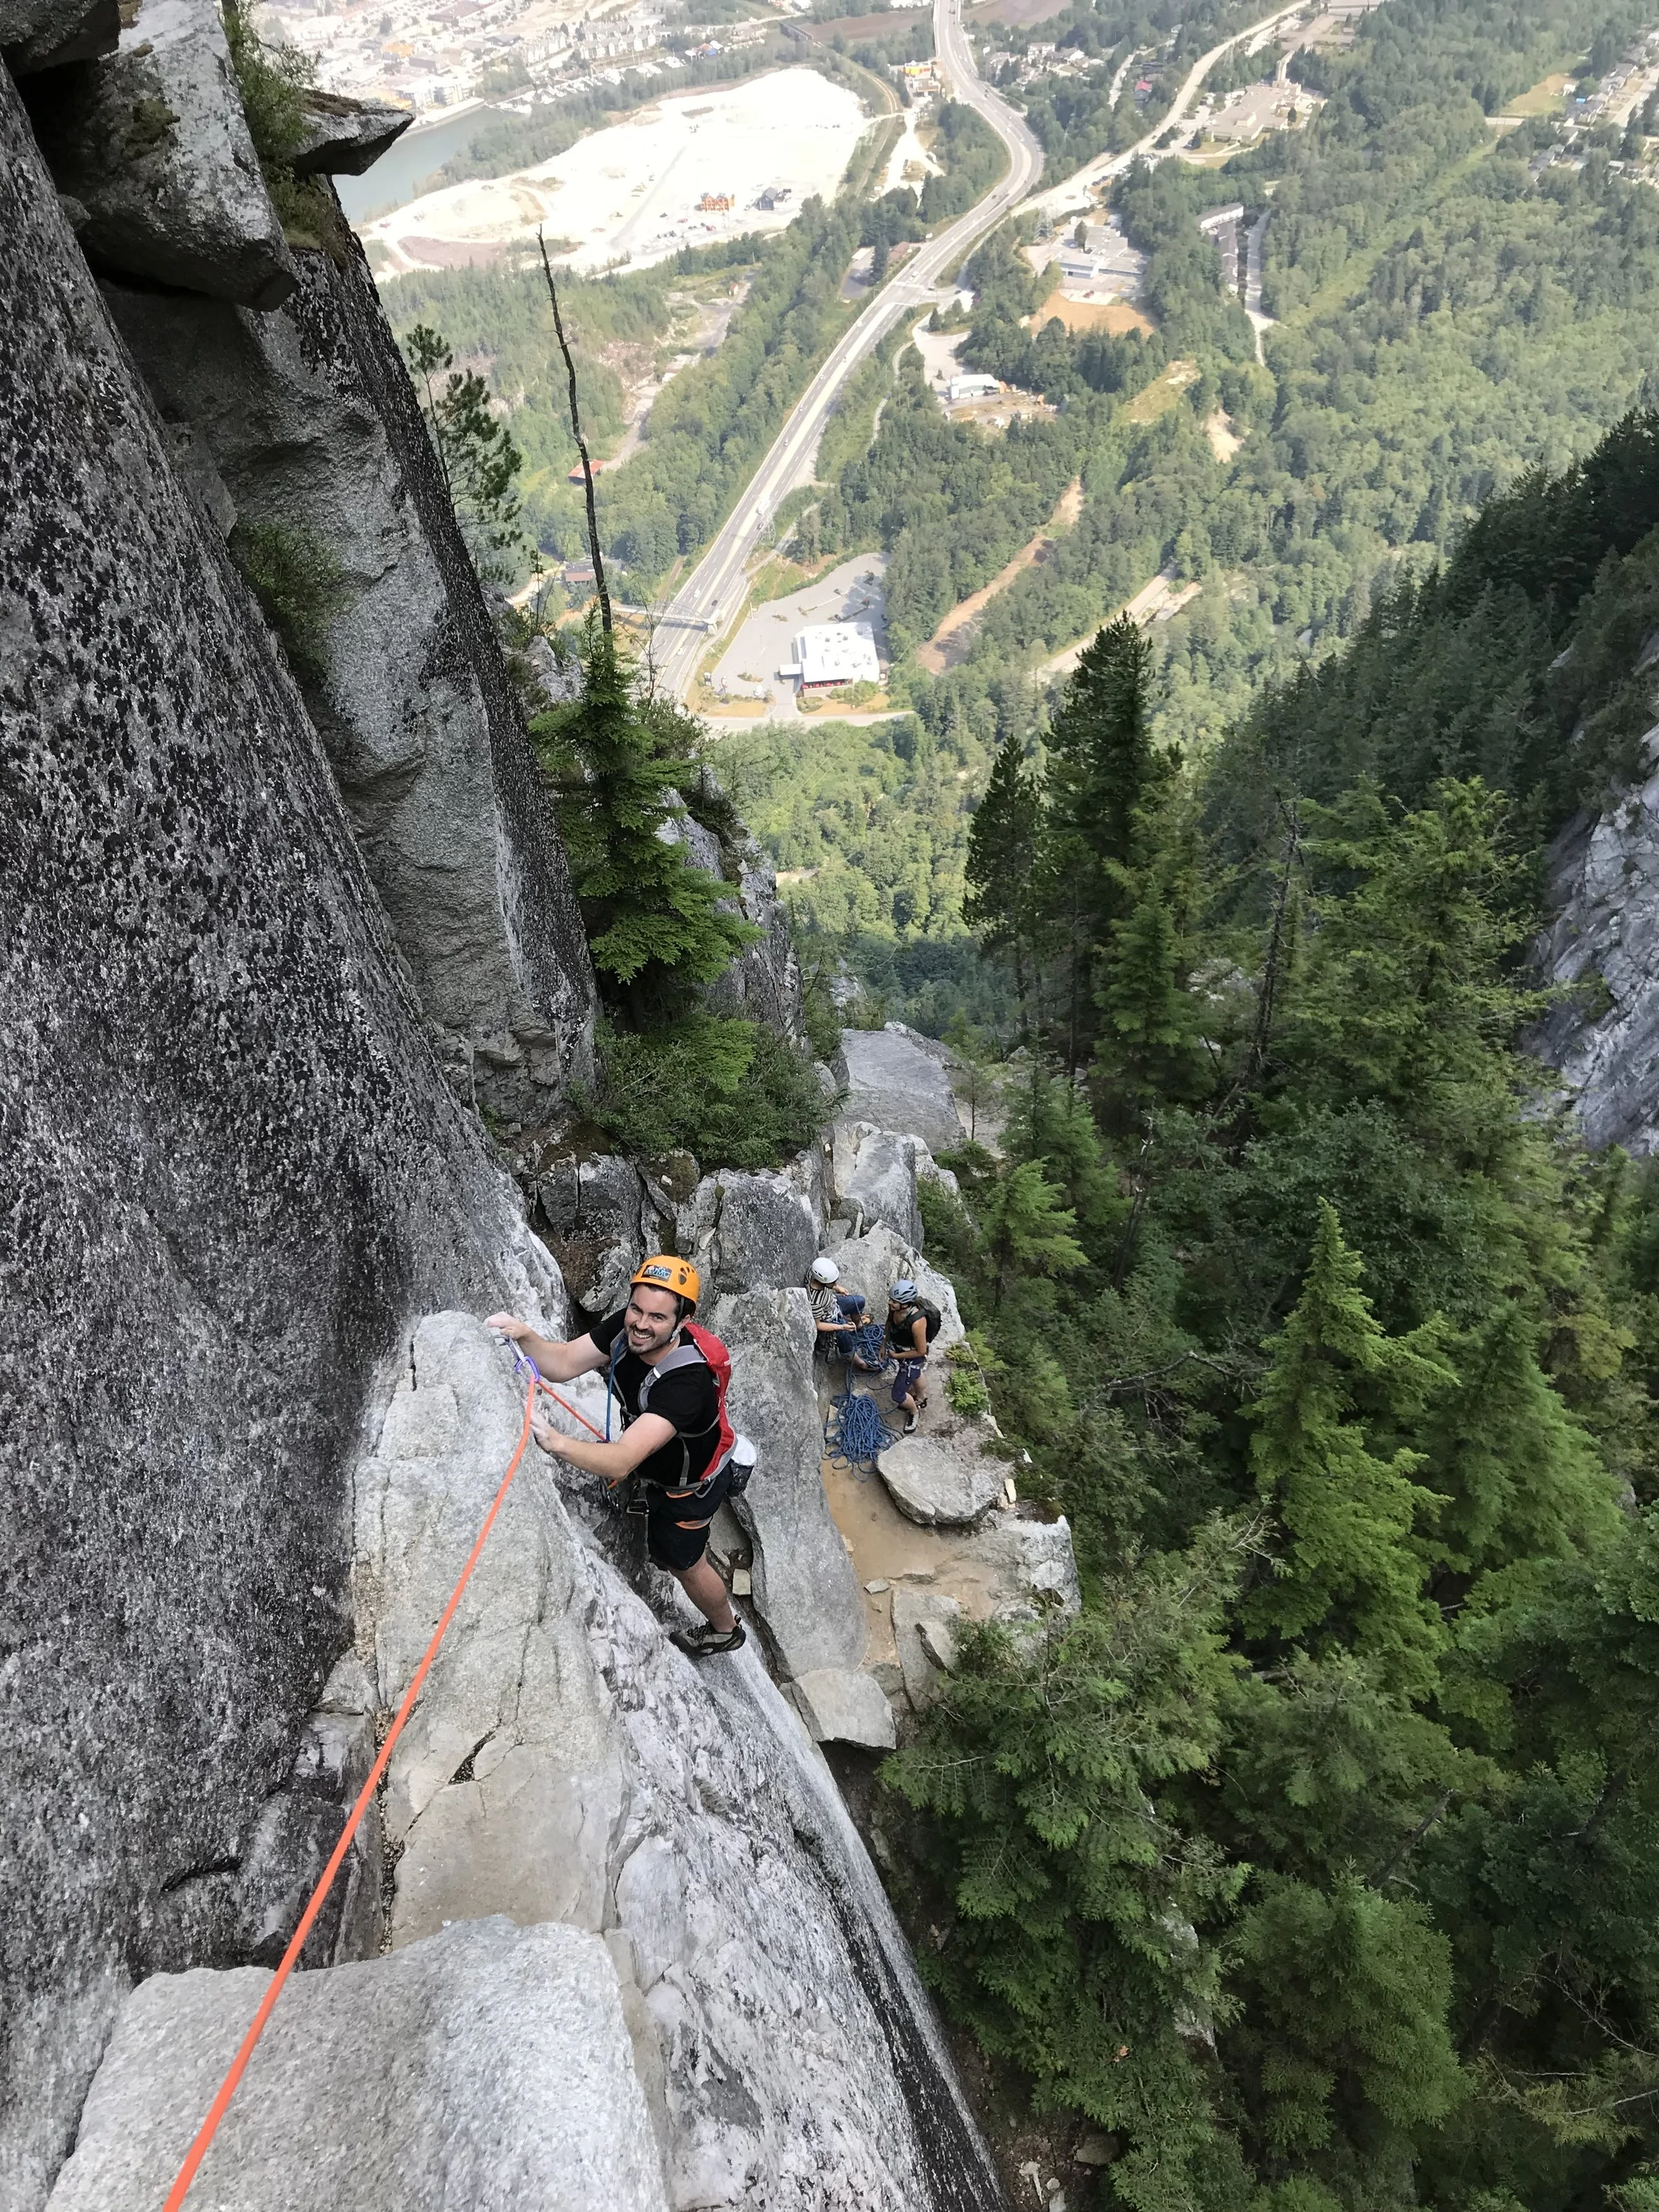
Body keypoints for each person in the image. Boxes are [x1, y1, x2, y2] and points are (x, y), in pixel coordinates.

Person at [485, 1256, 745, 1659]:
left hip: (688, 1490)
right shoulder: (627, 1332)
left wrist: (557, 1443)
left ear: (682, 1320)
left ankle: (725, 1629)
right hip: (658, 1463)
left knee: (684, 1562)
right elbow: (564, 1363)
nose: (641, 1323)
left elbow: (623, 1458)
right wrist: (524, 1335)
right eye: (637, 1309)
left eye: (657, 1317)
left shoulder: (686, 1385)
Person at [887, 1278, 933, 1434]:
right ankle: (921, 1397)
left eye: (895, 1301)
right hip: (903, 1353)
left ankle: (914, 1412)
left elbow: (921, 1351)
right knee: (917, 1374)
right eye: (891, 1299)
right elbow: (889, 1324)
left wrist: (897, 1356)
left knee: (898, 1394)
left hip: (911, 1357)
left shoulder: (918, 1322)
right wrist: (883, 1344)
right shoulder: (895, 1309)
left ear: (905, 1304)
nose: (890, 1303)